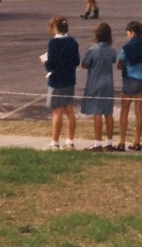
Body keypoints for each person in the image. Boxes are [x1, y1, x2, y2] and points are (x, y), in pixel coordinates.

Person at [41, 15, 80, 151]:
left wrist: (45, 61)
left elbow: (50, 65)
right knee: (69, 110)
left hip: (57, 80)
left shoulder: (53, 43)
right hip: (69, 79)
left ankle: (55, 142)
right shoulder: (73, 42)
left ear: (55, 28)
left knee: (57, 112)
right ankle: (70, 141)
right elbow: (76, 62)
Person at [81, 22, 116, 151]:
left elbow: (84, 64)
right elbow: (113, 60)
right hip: (108, 82)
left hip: (95, 82)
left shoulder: (92, 49)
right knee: (108, 112)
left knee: (97, 112)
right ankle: (110, 142)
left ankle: (97, 143)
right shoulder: (111, 49)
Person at [116, 21, 142, 151]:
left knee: (124, 110)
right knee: (139, 110)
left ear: (132, 32)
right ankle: (137, 141)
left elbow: (120, 64)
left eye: (128, 32)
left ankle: (122, 141)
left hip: (130, 79)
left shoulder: (127, 47)